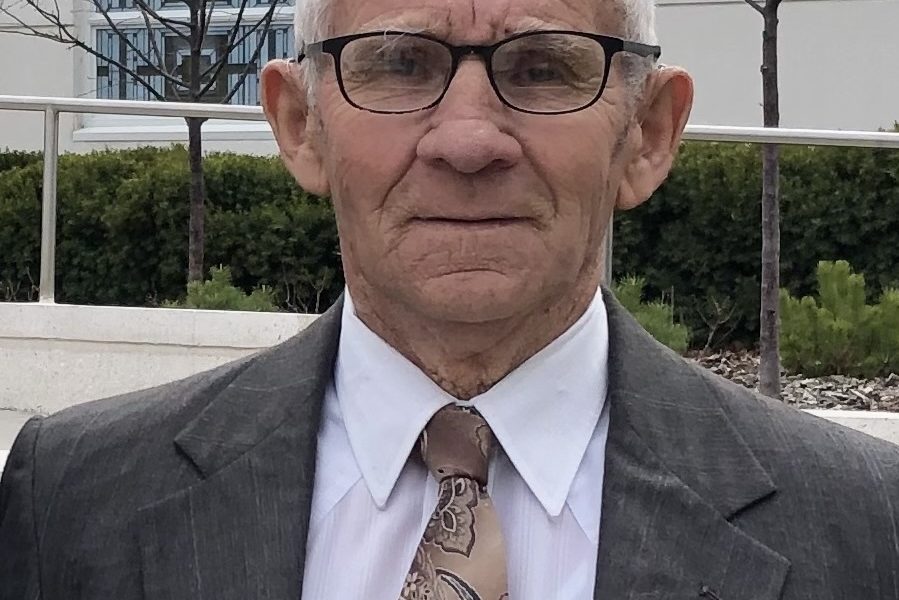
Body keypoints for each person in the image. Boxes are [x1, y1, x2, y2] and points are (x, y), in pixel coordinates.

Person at [2, 0, 899, 597]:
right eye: (399, 64)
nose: (468, 141)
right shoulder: (73, 500)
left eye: (542, 69)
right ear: (300, 125)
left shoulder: (863, 528)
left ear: (647, 135)